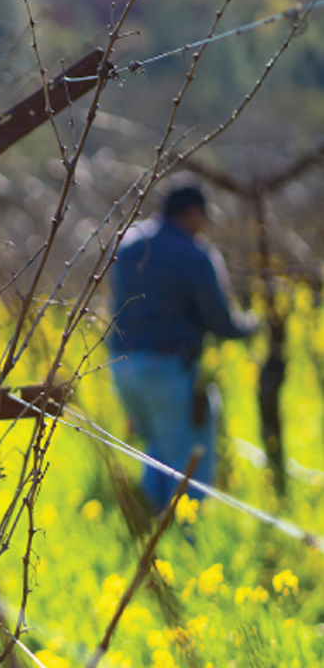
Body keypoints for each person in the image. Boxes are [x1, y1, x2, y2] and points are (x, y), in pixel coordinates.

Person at [109, 183, 256, 511]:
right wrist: (253, 325)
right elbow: (221, 322)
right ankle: (187, 543)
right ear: (191, 213)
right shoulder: (194, 253)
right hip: (167, 369)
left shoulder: (129, 244)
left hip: (122, 367)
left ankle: (152, 535)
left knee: (157, 453)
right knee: (190, 459)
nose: (203, 226)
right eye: (202, 217)